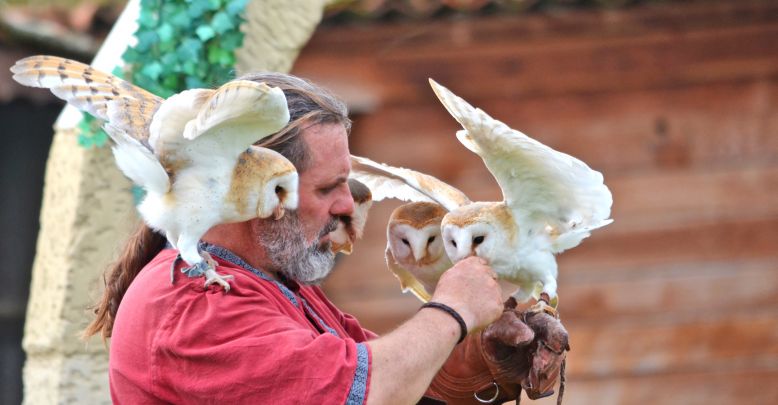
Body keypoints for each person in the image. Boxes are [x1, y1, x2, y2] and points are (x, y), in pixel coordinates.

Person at [85, 72, 566, 404]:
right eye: (327, 187)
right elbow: (366, 393)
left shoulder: (279, 288)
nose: (345, 206)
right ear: (262, 191)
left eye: (346, 185)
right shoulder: (197, 305)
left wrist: (484, 354)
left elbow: (405, 382)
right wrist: (453, 310)